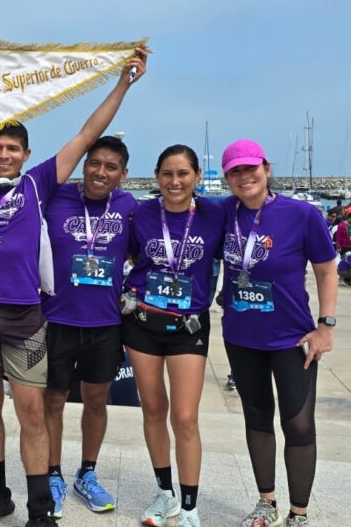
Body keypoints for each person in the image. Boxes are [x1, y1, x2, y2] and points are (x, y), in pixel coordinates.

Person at [0, 50, 146, 527]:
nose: (4, 156)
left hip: (26, 316)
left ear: (25, 155)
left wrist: (122, 85)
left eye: (13, 149)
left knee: (31, 411)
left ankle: (38, 510)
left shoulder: (39, 183)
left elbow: (87, 135)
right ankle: (0, 493)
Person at [219, 139, 338, 527]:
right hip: (241, 335)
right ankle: (266, 502)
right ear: (227, 178)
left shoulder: (302, 214)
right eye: (234, 171)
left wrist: (326, 326)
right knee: (256, 416)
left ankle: (299, 512)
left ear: (266, 169)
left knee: (299, 423)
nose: (244, 176)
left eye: (250, 168)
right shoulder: (222, 213)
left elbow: (326, 270)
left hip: (293, 338)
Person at [122, 145, 223, 527]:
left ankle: (190, 507)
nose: (175, 181)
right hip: (142, 322)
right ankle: (164, 494)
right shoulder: (142, 213)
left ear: (197, 176)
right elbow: (128, 256)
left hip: (188, 328)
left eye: (183, 173)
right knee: (152, 410)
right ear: (157, 176)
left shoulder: (216, 214)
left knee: (184, 417)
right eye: (167, 173)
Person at [39, 136, 138, 518]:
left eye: (110, 167)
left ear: (123, 175)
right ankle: (52, 475)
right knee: (54, 401)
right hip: (56, 320)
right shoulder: (56, 197)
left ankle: (87, 473)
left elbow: (149, 251)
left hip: (106, 323)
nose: (100, 172)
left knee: (97, 401)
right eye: (94, 163)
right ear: (84, 164)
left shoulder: (129, 207)